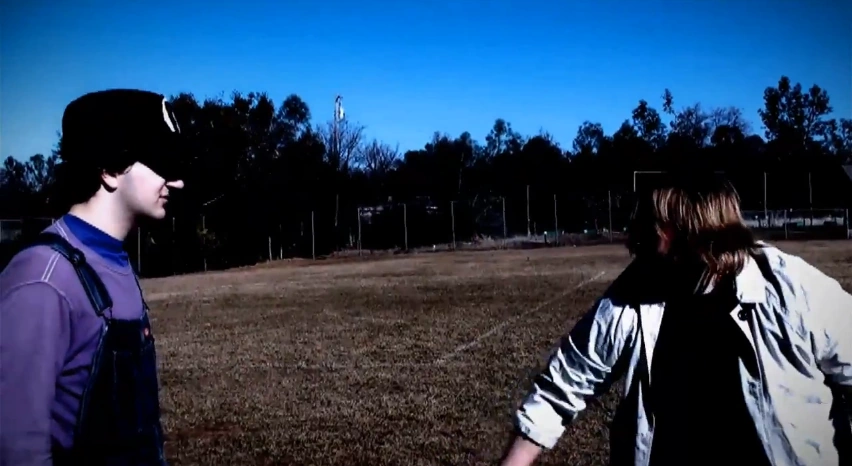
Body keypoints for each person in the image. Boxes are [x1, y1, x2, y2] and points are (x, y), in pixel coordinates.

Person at [499, 173, 852, 466]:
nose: (639, 232)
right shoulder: (634, 293)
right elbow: (562, 387)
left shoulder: (791, 288)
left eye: (655, 223)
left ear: (697, 228)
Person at [0, 89, 186, 466]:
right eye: (162, 163)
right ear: (109, 170)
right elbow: (16, 448)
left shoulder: (115, 262)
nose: (178, 182)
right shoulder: (43, 280)